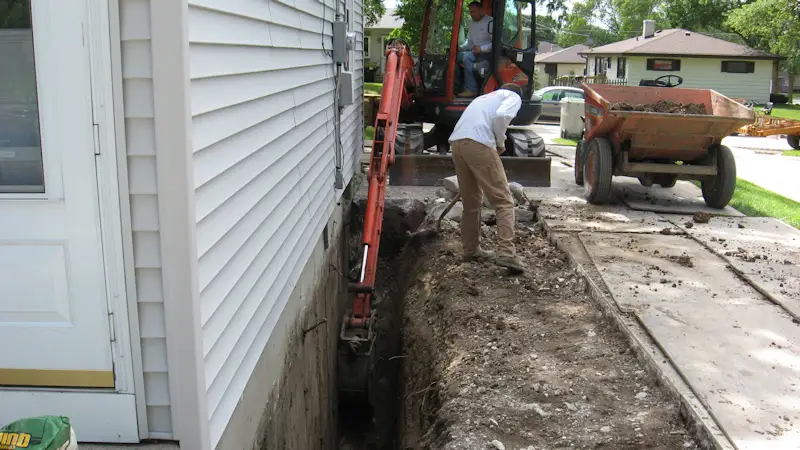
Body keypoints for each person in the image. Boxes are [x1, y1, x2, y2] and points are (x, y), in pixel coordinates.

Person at [448, 83, 526, 273]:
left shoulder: (483, 99)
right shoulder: (513, 96)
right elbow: (501, 116)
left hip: (457, 144)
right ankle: (507, 253)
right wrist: (500, 141)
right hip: (478, 142)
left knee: (471, 203)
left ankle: (470, 250)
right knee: (504, 201)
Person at [455, 1, 493, 98]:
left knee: (467, 57)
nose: (471, 14)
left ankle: (472, 89)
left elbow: (496, 43)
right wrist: (460, 47)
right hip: (475, 52)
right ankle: (455, 87)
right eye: (470, 12)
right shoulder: (471, 24)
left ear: (481, 11)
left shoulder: (490, 22)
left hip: (487, 54)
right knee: (454, 56)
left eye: (474, 12)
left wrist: (481, 48)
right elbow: (470, 42)